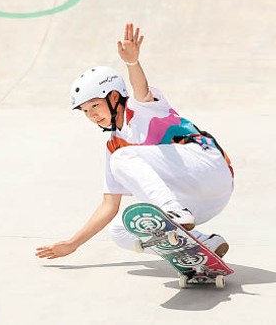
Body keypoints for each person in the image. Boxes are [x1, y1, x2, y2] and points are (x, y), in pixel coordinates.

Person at [36, 23, 234, 260]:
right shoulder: (113, 145)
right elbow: (109, 206)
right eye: (86, 111)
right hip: (203, 202)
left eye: (95, 106)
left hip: (209, 168)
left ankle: (173, 212)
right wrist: (72, 244)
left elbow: (140, 90)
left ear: (114, 96)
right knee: (121, 231)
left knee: (122, 158)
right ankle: (201, 244)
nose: (92, 116)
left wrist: (132, 62)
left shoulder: (140, 109)